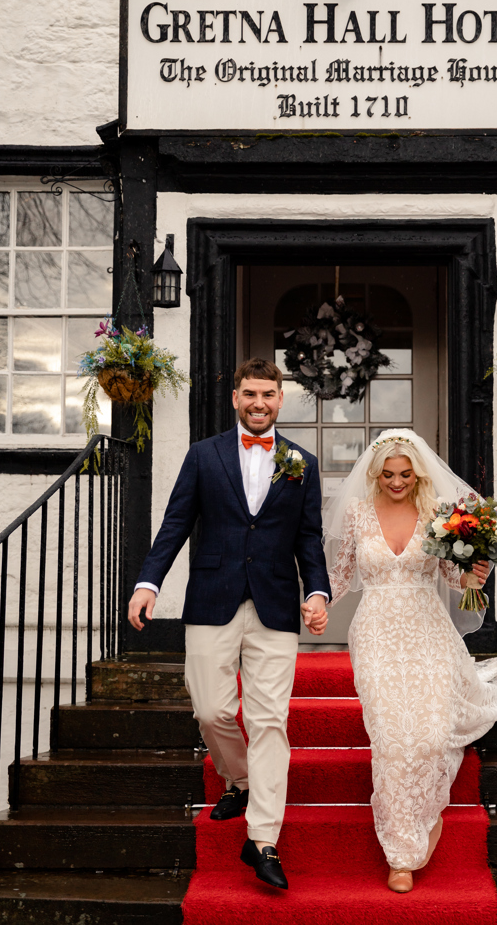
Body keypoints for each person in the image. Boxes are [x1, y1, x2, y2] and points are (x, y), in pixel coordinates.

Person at [127, 357, 331, 891]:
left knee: (269, 722)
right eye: (250, 394)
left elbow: (309, 539)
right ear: (235, 398)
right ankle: (237, 779)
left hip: (276, 608)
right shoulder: (204, 456)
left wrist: (316, 591)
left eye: (268, 394)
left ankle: (263, 839)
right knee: (211, 709)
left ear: (281, 399)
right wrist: (148, 584)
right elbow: (175, 522)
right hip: (212, 599)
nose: (259, 403)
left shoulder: (302, 463)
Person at [325, 429, 497, 894]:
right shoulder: (357, 513)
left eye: (406, 474)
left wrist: (478, 571)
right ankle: (401, 853)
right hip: (375, 632)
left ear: (417, 474)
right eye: (389, 474)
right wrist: (314, 605)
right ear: (376, 473)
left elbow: (454, 582)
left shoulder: (439, 515)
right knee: (393, 738)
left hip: (428, 630)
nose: (397, 482)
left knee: (432, 734)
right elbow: (339, 576)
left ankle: (422, 818)